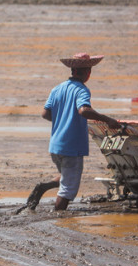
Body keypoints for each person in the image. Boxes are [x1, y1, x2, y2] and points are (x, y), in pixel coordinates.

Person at [41, 52, 121, 211]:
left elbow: (45, 113)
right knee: (68, 189)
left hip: (55, 146)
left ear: (72, 70)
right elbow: (84, 110)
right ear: (87, 72)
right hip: (72, 147)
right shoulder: (82, 90)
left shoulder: (57, 88)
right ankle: (58, 216)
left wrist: (62, 121)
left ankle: (44, 187)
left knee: (66, 177)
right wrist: (108, 120)